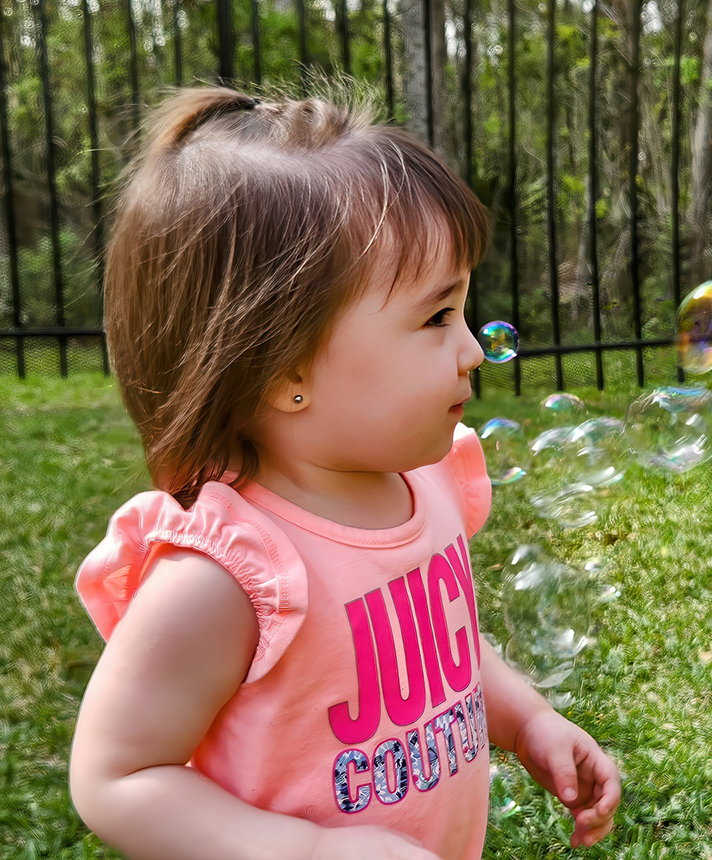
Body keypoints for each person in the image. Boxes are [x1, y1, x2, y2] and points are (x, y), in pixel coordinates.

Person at [68, 86, 621, 860]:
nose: (470, 349)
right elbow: (117, 776)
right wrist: (311, 852)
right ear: (283, 371)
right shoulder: (228, 574)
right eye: (435, 318)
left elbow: (448, 654)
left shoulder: (424, 483)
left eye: (465, 312)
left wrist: (528, 720)